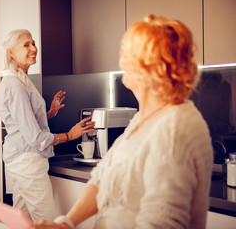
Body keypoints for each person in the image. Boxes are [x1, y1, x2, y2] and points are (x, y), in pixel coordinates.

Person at [32, 15, 214, 229]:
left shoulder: (176, 127)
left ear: (154, 67)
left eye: (129, 55)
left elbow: (161, 222)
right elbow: (102, 180)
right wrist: (66, 223)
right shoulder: (142, 118)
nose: (122, 60)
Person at [0, 29, 95, 223]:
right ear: (11, 53)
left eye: (33, 43)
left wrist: (49, 113)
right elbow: (35, 138)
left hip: (19, 159)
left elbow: (21, 122)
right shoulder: (16, 86)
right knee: (47, 220)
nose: (33, 48)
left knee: (21, 220)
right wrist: (70, 135)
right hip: (28, 162)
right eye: (26, 45)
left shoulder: (19, 80)